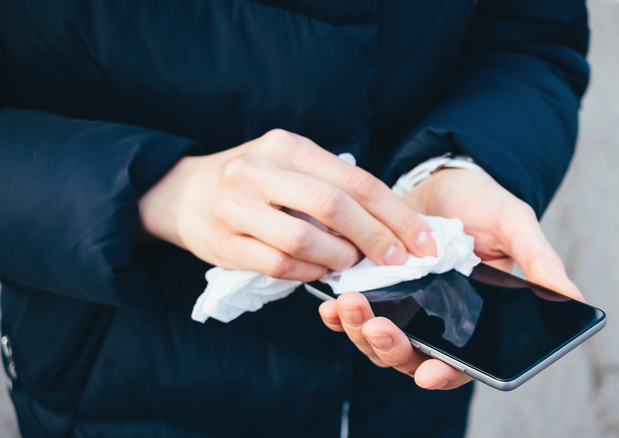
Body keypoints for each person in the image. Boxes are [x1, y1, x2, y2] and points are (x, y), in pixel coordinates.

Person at [0, 0, 589, 436]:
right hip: (111, 376)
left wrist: (456, 165)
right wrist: (155, 191)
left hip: (397, 388)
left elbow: (528, 38)